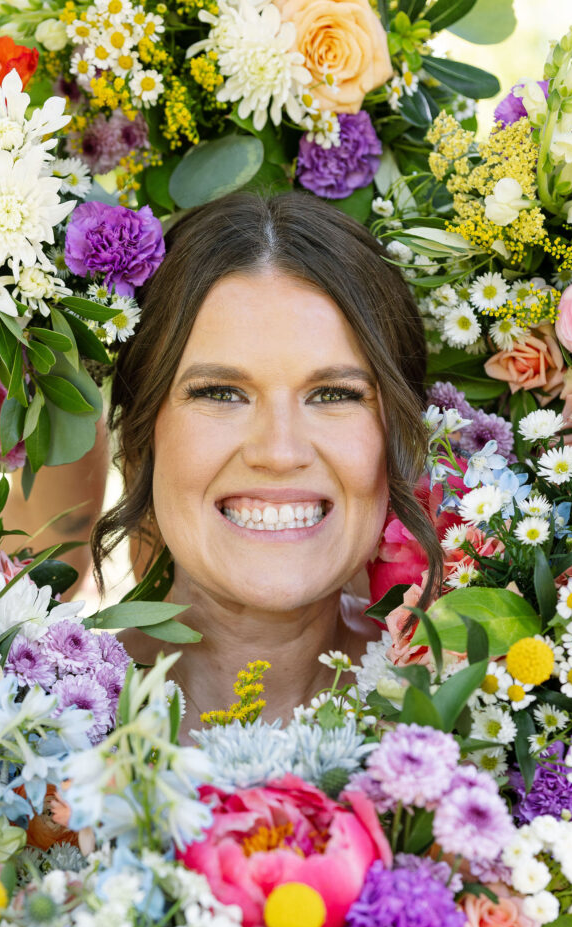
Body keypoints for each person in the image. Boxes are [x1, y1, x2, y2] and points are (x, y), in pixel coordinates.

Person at [92, 190, 442, 739]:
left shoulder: (493, 710)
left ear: (399, 436)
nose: (279, 453)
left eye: (333, 395)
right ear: (142, 433)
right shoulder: (25, 719)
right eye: (221, 393)